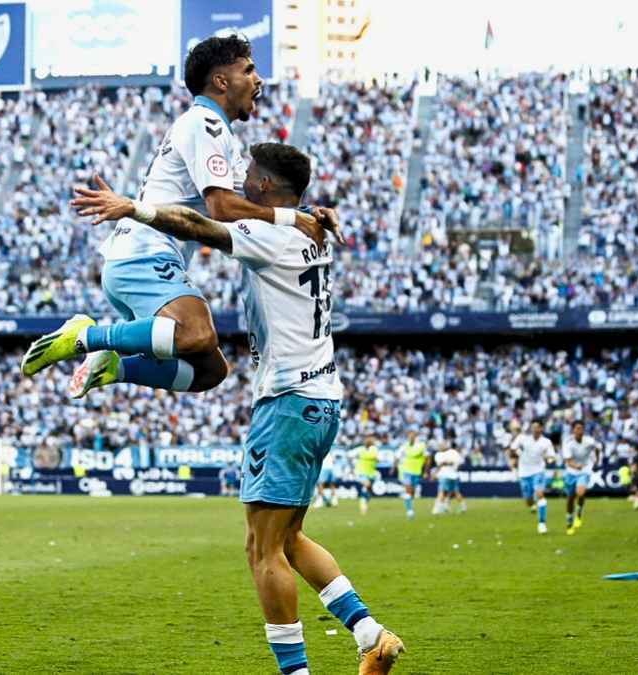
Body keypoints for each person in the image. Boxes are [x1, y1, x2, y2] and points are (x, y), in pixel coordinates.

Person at [72, 142, 403, 674]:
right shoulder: (310, 230)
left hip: (289, 403)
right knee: (288, 539)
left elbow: (202, 226)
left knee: (261, 549)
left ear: (266, 186)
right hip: (321, 399)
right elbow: (238, 214)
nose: (240, 180)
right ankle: (370, 635)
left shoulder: (271, 235)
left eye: (249, 174)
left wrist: (134, 207)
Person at [21, 34, 340, 398]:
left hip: (140, 259)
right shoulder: (204, 125)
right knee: (197, 333)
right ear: (222, 81)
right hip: (145, 255)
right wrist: (292, 219)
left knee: (210, 371)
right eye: (248, 70)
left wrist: (305, 212)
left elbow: (255, 200)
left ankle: (115, 366)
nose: (258, 80)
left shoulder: (217, 133)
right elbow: (223, 208)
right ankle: (84, 336)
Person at [508, 420, 556, 534]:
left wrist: (548, 459)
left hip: (538, 471)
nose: (535, 429)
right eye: (533, 427)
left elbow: (551, 457)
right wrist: (516, 455)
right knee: (528, 500)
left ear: (541, 429)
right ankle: (532, 505)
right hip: (524, 472)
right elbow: (512, 450)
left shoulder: (546, 442)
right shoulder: (522, 439)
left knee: (540, 494)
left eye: (537, 427)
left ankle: (542, 523)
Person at [561, 420, 601, 534]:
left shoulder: (589, 441)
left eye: (581, 428)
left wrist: (596, 460)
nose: (580, 431)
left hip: (585, 469)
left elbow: (597, 448)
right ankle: (569, 522)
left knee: (581, 492)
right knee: (570, 498)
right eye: (577, 428)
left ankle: (579, 512)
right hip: (571, 471)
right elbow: (568, 462)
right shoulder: (568, 442)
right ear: (573, 430)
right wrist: (576, 466)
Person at [395, 430, 430, 520]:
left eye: (412, 436)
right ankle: (409, 511)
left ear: (415, 437)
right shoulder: (404, 446)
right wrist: (394, 466)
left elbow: (428, 459)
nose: (411, 438)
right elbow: (397, 456)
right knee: (408, 490)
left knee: (412, 492)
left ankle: (410, 505)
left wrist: (426, 471)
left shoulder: (421, 446)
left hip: (417, 472)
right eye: (409, 436)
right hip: (406, 471)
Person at [349, 437, 381, 515]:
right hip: (361, 472)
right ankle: (363, 502)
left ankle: (365, 500)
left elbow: (379, 459)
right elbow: (349, 455)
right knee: (367, 484)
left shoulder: (374, 449)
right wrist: (352, 465)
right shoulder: (360, 449)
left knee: (369, 489)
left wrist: (376, 459)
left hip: (371, 472)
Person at [431, 442, 466, 515]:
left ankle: (437, 508)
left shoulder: (451, 452)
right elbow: (443, 464)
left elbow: (457, 463)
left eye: (442, 445)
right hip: (452, 475)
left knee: (443, 491)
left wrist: (436, 472)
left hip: (447, 475)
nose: (441, 446)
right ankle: (459, 506)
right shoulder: (441, 454)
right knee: (453, 492)